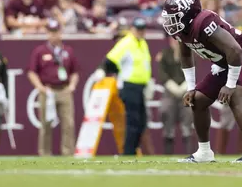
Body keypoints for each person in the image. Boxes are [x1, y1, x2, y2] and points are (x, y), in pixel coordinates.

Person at [162, 0, 242, 163]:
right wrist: (191, 87)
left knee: (234, 96)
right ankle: (204, 152)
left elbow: (235, 50)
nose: (170, 22)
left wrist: (231, 84)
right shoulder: (182, 30)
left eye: (174, 16)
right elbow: (186, 56)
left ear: (188, 14)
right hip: (225, 62)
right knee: (197, 100)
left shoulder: (203, 23)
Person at [93, 18, 152, 155]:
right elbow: (111, 59)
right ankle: (128, 152)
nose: (140, 32)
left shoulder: (142, 43)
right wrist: (102, 69)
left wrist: (148, 82)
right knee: (133, 121)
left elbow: (145, 65)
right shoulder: (126, 42)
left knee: (141, 122)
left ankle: (132, 150)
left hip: (140, 87)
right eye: (138, 29)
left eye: (142, 29)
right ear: (132, 29)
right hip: (129, 86)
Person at [27, 21, 80, 156]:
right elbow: (32, 72)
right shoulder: (40, 51)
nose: (54, 35)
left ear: (60, 33)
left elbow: (75, 71)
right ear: (47, 34)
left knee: (68, 123)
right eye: (51, 32)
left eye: (56, 32)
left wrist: (72, 85)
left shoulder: (68, 51)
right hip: (48, 90)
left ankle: (68, 152)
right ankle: (44, 153)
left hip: (64, 89)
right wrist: (40, 87)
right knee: (45, 124)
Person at [158, 37, 194, 154]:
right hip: (170, 91)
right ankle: (168, 152)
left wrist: (184, 86)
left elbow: (194, 70)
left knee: (188, 117)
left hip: (186, 90)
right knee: (165, 110)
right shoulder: (165, 53)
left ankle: (190, 152)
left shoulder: (189, 53)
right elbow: (162, 73)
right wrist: (172, 86)